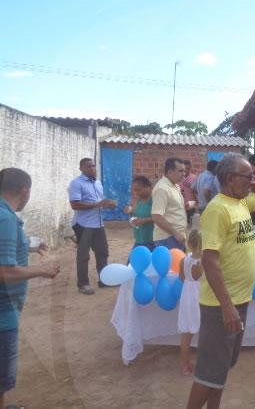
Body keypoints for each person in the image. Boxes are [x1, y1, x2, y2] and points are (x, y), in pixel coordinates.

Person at [186, 153, 255, 409]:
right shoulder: (218, 209)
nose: (252, 181)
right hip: (221, 306)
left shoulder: (241, 202)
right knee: (208, 373)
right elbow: (210, 260)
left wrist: (254, 180)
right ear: (230, 179)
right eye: (247, 176)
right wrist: (227, 307)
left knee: (221, 368)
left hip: (238, 301)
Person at [0, 168, 60, 408]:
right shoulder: (5, 218)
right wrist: (42, 270)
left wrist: (30, 244)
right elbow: (4, 270)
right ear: (24, 191)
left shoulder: (5, 215)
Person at [68, 158, 116, 295]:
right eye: (88, 166)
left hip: (98, 224)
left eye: (93, 166)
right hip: (83, 225)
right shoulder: (76, 183)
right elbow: (75, 204)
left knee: (102, 253)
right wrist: (98, 204)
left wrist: (108, 205)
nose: (92, 168)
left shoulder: (98, 183)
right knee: (83, 255)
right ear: (81, 169)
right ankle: (83, 284)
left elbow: (99, 203)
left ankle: (104, 280)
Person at [178, 229, 203, 376]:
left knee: (186, 333)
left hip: (187, 296)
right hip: (201, 296)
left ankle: (185, 365)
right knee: (205, 332)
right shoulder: (204, 261)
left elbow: (181, 278)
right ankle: (204, 365)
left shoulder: (183, 260)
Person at [152, 158, 188, 251]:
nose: (184, 174)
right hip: (168, 238)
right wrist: (175, 233)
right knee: (172, 266)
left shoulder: (175, 186)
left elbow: (171, 208)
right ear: (169, 172)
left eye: (184, 171)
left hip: (177, 237)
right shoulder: (162, 189)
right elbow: (156, 217)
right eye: (180, 171)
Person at [123, 176, 155, 251]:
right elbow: (136, 215)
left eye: (138, 190)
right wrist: (130, 212)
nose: (135, 192)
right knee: (132, 261)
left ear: (149, 187)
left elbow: (160, 217)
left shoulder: (154, 200)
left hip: (152, 241)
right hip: (139, 239)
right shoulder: (138, 201)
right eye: (134, 190)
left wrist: (144, 220)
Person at [181, 160, 198, 225]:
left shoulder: (194, 177)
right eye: (185, 169)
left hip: (192, 204)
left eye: (188, 168)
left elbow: (196, 191)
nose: (186, 170)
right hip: (182, 205)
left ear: (190, 168)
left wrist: (197, 204)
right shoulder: (179, 178)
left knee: (192, 224)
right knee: (184, 224)